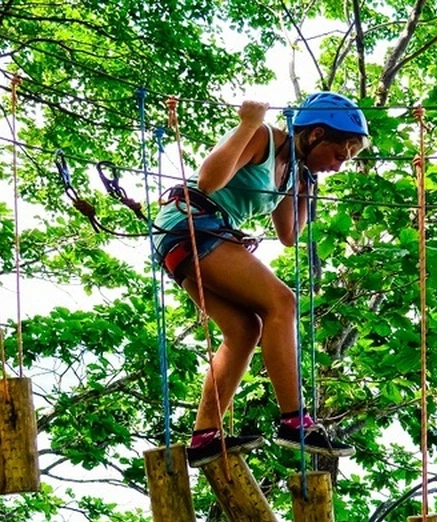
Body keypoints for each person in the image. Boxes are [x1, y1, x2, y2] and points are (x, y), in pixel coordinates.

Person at [153, 92, 368, 467]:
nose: (339, 165)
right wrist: (247, 124)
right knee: (282, 302)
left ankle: (204, 434)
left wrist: (307, 188)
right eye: (338, 154)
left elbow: (289, 233)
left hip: (195, 237)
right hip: (190, 223)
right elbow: (208, 180)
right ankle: (294, 421)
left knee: (244, 330)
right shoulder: (263, 138)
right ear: (316, 134)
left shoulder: (290, 173)